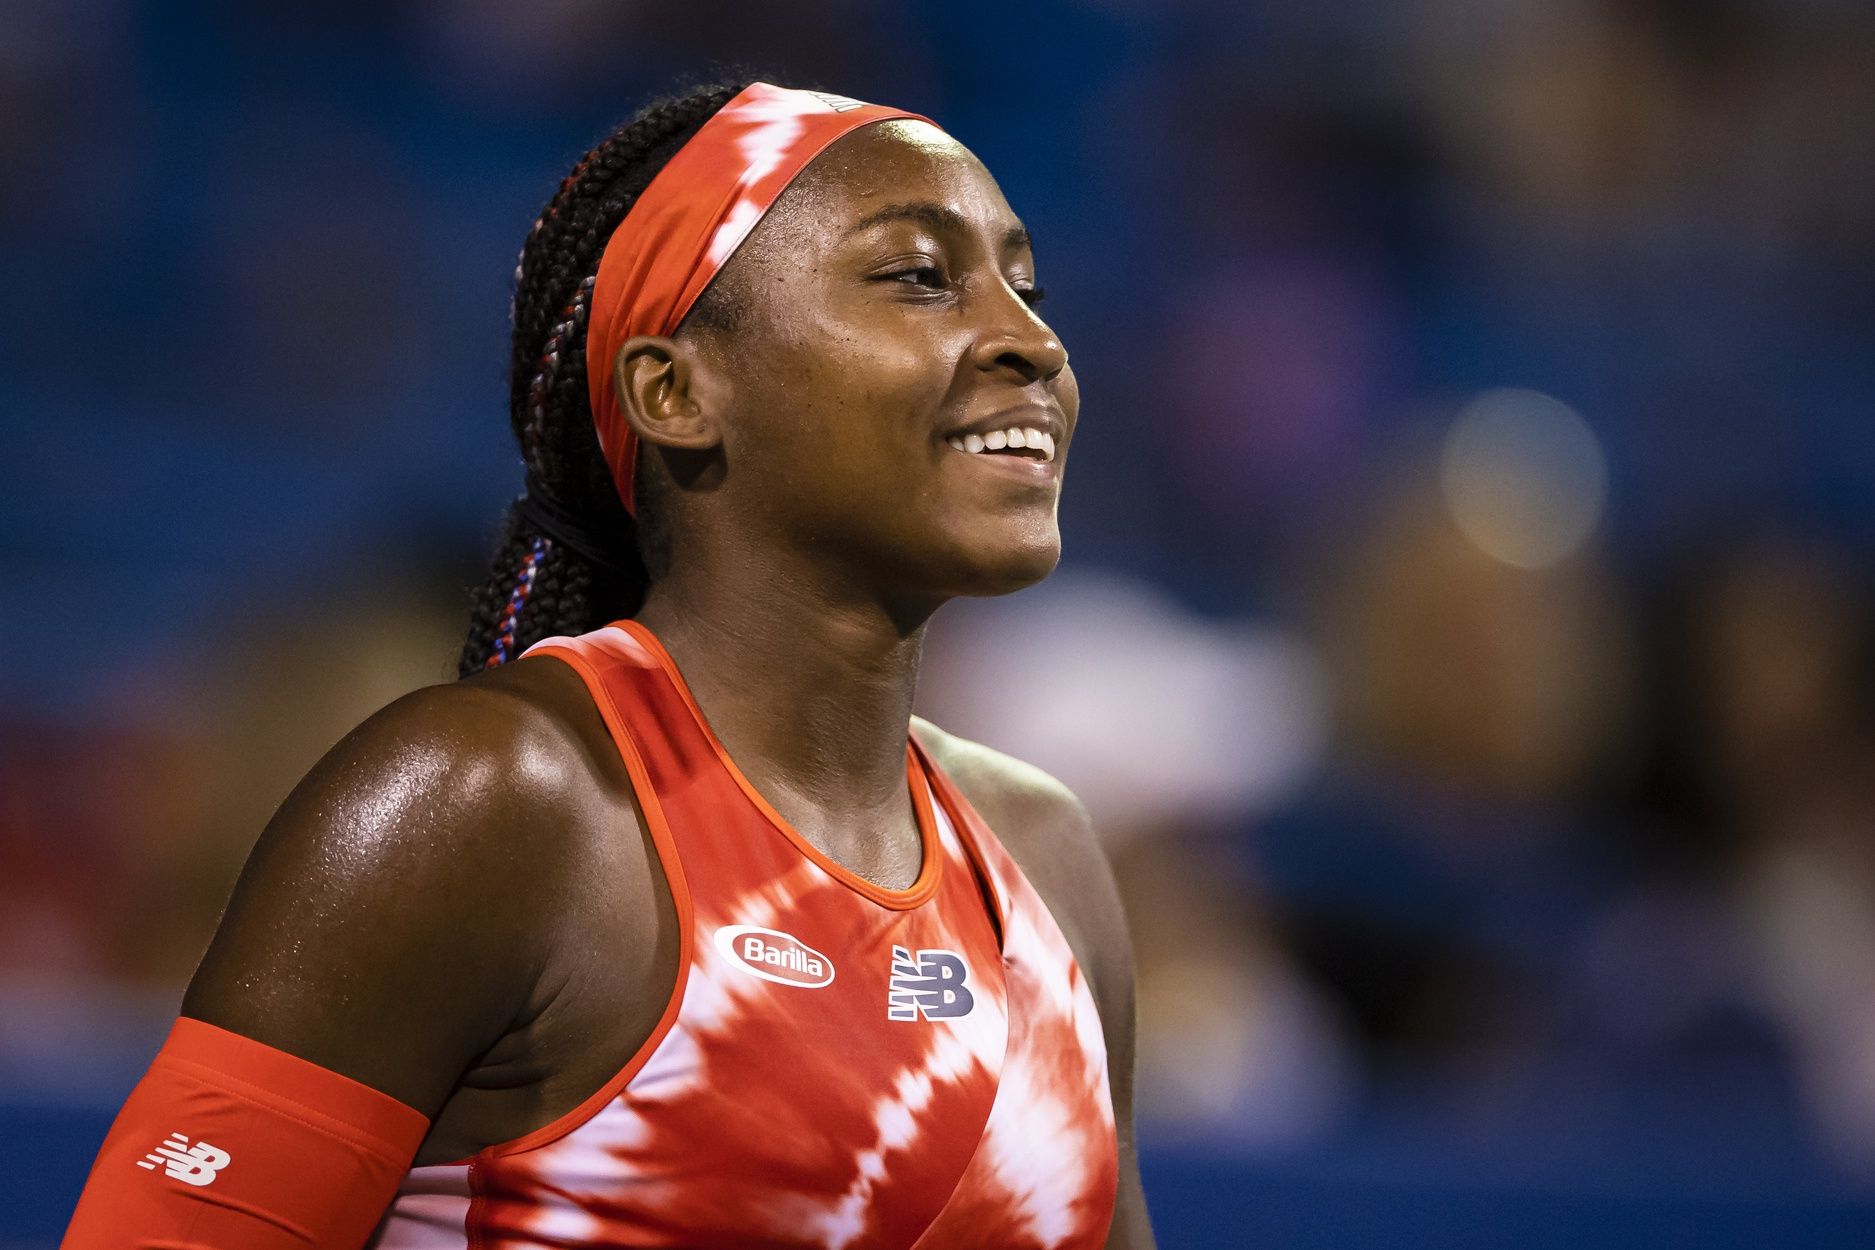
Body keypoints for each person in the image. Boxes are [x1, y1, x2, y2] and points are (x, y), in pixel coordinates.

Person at [60, 80, 1152, 1249]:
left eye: (1026, 289)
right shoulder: (498, 804)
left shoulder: (1047, 860)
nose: (1032, 343)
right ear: (675, 389)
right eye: (918, 277)